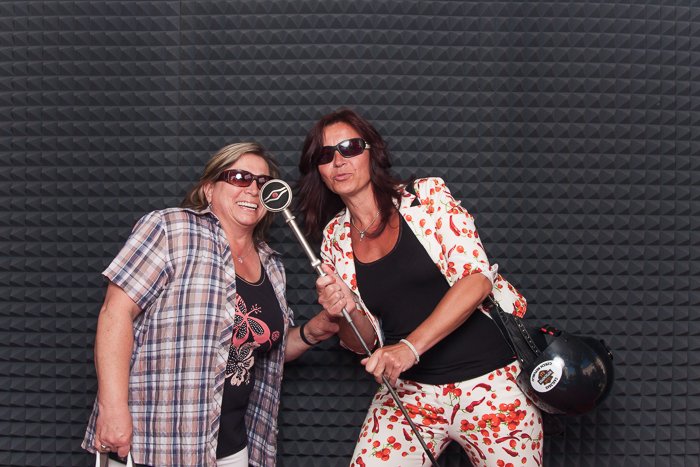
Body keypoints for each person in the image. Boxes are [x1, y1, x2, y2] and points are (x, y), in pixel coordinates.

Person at [296, 109, 544, 466]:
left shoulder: (426, 197)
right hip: (410, 391)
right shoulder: (334, 237)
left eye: (350, 147)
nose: (339, 161)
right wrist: (345, 310)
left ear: (372, 151)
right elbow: (362, 343)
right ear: (318, 169)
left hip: (492, 383)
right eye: (325, 154)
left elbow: (476, 279)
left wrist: (410, 348)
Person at [82, 142, 339, 467]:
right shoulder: (171, 229)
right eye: (239, 177)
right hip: (155, 444)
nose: (252, 189)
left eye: (262, 182)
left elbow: (258, 347)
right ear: (208, 189)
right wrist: (112, 408)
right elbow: (115, 313)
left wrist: (311, 333)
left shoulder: (272, 265)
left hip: (233, 448)